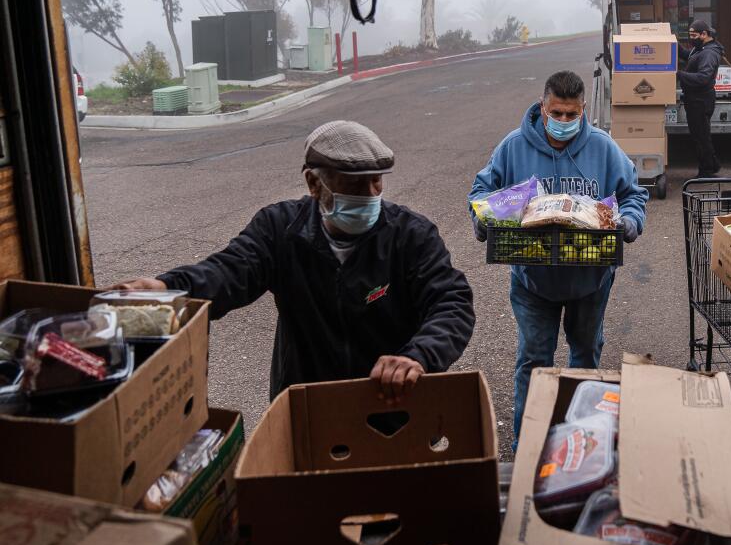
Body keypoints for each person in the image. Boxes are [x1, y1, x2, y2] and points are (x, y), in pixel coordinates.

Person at [111, 120, 475, 403]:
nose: (370, 195)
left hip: (391, 400)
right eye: (353, 183)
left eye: (375, 181)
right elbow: (229, 272)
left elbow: (451, 301)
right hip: (306, 403)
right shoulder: (280, 229)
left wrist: (418, 356)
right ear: (314, 184)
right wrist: (166, 288)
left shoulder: (411, 234)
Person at [470, 70, 648, 443]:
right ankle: (528, 445)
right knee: (534, 362)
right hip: (532, 279)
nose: (564, 121)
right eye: (557, 113)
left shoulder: (603, 147)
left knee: (585, 363)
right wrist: (483, 218)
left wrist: (630, 221)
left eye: (572, 114)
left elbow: (633, 193)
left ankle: (580, 446)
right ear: (543, 106)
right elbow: (482, 191)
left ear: (583, 110)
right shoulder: (513, 146)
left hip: (590, 279)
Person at [678, 21, 724, 178]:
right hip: (695, 98)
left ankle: (707, 171)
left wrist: (679, 74)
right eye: (690, 35)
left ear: (704, 34)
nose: (691, 38)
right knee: (701, 134)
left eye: (694, 35)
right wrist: (673, 45)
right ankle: (712, 165)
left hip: (700, 100)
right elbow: (688, 56)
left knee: (701, 136)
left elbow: (704, 77)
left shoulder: (709, 53)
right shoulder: (700, 49)